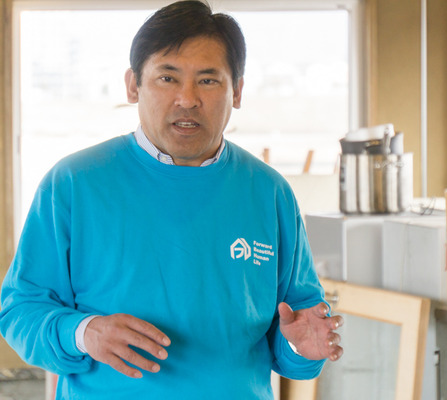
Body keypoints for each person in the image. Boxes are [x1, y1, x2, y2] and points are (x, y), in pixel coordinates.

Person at [0, 1, 343, 398]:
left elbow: (296, 331)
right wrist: (83, 332)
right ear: (133, 85)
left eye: (208, 80)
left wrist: (303, 348)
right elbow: (21, 310)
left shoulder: (269, 192)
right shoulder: (73, 183)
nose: (187, 98)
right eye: (167, 78)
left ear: (237, 91)